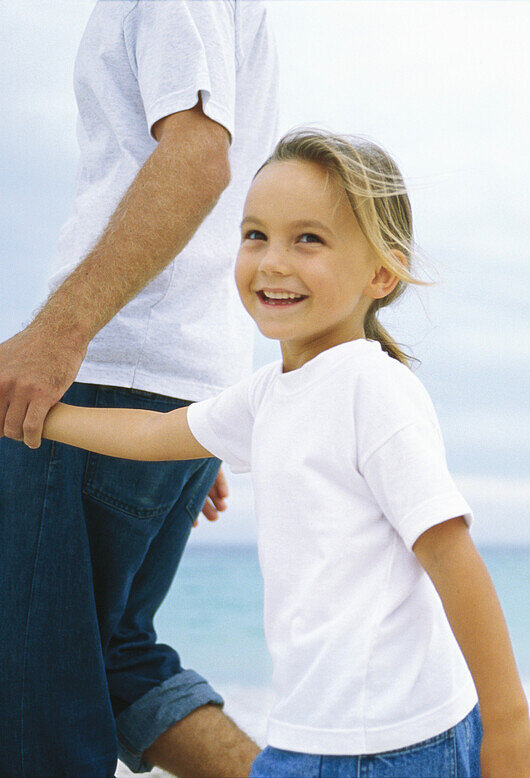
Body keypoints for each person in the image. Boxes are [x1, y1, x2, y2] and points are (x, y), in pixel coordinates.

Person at [35, 129, 530, 778]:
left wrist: (508, 725)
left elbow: (453, 557)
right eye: (255, 234)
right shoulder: (267, 395)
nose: (272, 261)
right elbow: (152, 436)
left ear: (381, 272)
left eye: (307, 239)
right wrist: (35, 415)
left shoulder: (374, 389)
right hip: (306, 739)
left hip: (395, 748)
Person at [0, 2, 277, 776]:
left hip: (109, 377)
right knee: (112, 658)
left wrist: (61, 331)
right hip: (177, 388)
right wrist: (192, 425)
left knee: (34, 705)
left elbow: (198, 160)